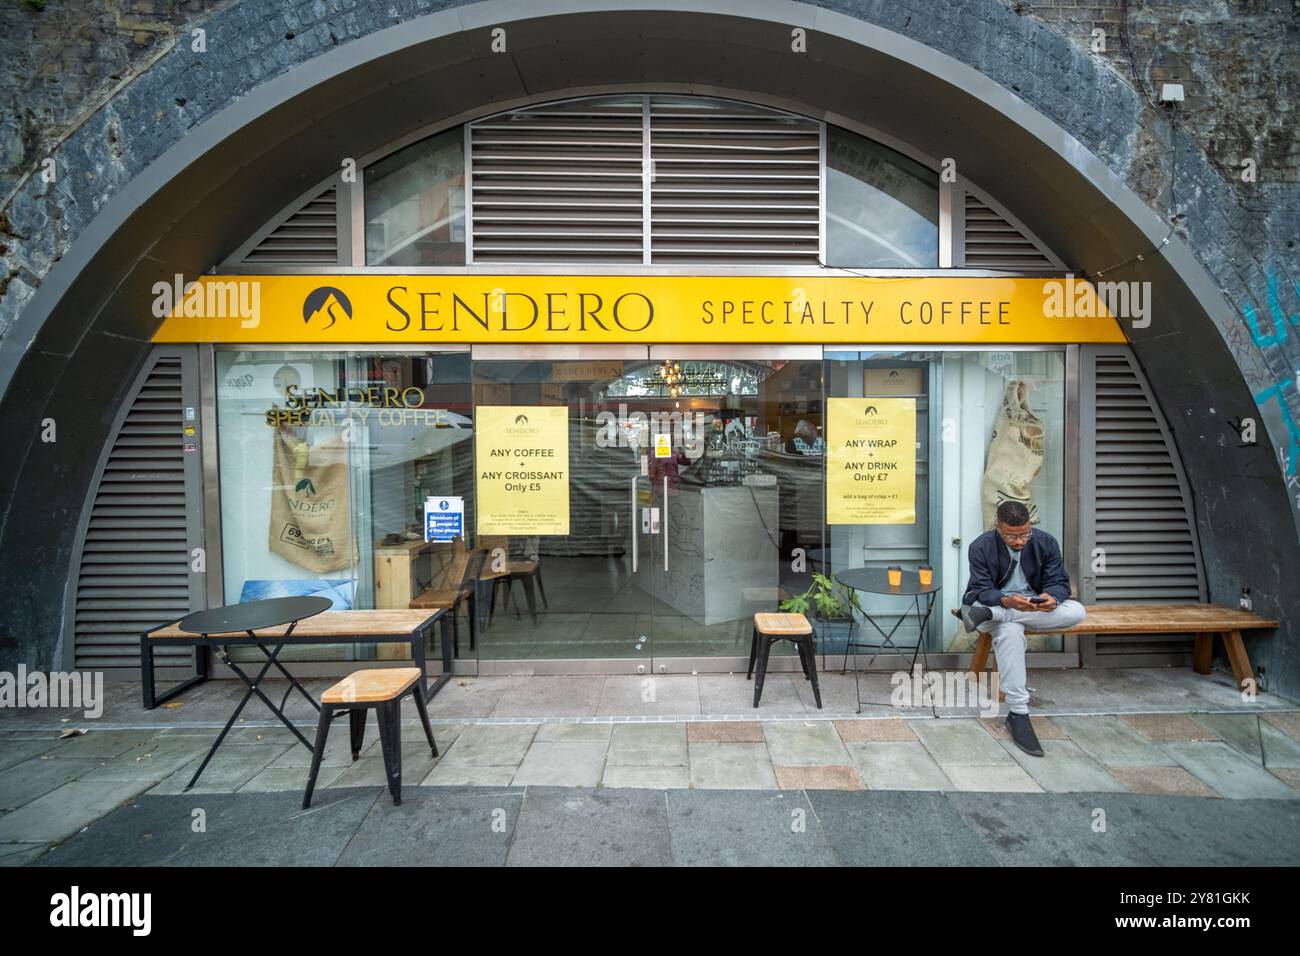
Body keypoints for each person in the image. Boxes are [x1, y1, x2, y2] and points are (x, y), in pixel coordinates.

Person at [954, 500, 1086, 756]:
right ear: (997, 526)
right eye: (1011, 536)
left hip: (1025, 609)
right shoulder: (980, 546)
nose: (1019, 541)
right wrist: (1005, 600)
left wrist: (1052, 598)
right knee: (1009, 631)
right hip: (995, 602)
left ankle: (987, 615)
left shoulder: (1045, 542)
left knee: (1077, 611)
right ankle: (1019, 713)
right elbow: (980, 588)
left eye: (1024, 534)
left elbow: (1060, 582)